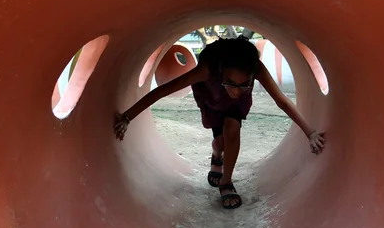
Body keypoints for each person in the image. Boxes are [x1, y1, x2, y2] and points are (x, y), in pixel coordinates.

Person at [113, 36, 326, 209]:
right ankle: (216, 155)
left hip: (237, 106)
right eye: (232, 83)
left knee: (232, 128)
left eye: (244, 84)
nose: (236, 90)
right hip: (212, 98)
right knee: (220, 142)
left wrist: (310, 133)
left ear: (252, 76)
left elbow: (281, 101)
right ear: (222, 70)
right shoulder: (207, 69)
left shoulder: (254, 70)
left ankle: (226, 181)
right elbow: (162, 90)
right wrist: (127, 117)